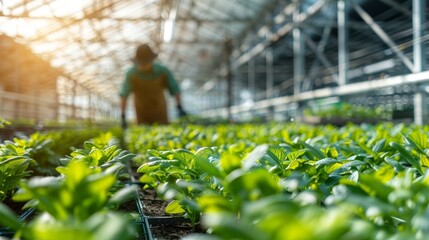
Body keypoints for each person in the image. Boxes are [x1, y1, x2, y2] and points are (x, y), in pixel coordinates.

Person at [119, 44, 186, 127]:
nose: (143, 66)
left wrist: (179, 107)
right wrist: (123, 115)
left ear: (152, 60)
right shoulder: (131, 74)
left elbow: (175, 89)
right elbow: (124, 95)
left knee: (162, 131)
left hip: (160, 111)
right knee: (143, 132)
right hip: (141, 113)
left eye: (146, 63)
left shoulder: (161, 71)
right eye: (141, 63)